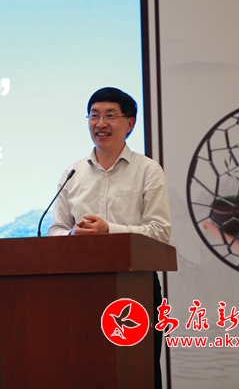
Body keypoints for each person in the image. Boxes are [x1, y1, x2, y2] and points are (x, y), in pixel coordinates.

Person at [47, 87, 171, 389]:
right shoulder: (72, 173)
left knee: (138, 372)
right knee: (84, 370)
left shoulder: (148, 171)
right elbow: (55, 231)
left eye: (110, 116)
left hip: (135, 287)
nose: (100, 123)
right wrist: (72, 234)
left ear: (129, 123)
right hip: (78, 288)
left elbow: (160, 232)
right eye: (94, 116)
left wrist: (109, 231)